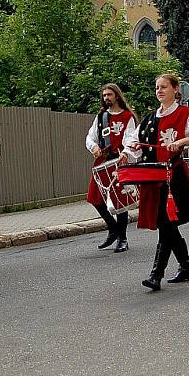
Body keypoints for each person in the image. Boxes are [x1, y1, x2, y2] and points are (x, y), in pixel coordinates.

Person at [120, 74, 189, 291]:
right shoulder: (150, 118)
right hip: (153, 178)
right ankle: (186, 266)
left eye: (163, 87)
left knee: (166, 223)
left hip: (174, 177)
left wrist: (182, 141)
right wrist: (129, 151)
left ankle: (156, 275)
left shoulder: (186, 114)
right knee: (167, 224)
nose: (159, 91)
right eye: (157, 88)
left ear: (175, 89)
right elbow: (134, 140)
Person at [85, 84, 136, 253]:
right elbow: (90, 137)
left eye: (109, 94)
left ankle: (122, 238)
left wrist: (126, 154)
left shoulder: (127, 116)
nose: (106, 97)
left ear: (117, 96)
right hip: (101, 162)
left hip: (118, 161)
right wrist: (93, 147)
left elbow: (130, 138)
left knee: (120, 201)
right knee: (95, 198)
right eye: (104, 95)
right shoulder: (101, 117)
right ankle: (113, 228)